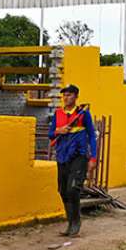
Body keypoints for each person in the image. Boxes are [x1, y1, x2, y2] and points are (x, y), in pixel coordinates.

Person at [48, 84, 97, 237]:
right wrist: (58, 130)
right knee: (62, 191)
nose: (66, 98)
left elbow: (92, 136)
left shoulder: (83, 114)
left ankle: (76, 222)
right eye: (64, 95)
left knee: (73, 189)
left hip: (79, 155)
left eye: (69, 95)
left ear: (76, 96)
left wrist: (93, 158)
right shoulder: (58, 114)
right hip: (62, 156)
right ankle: (70, 222)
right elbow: (51, 134)